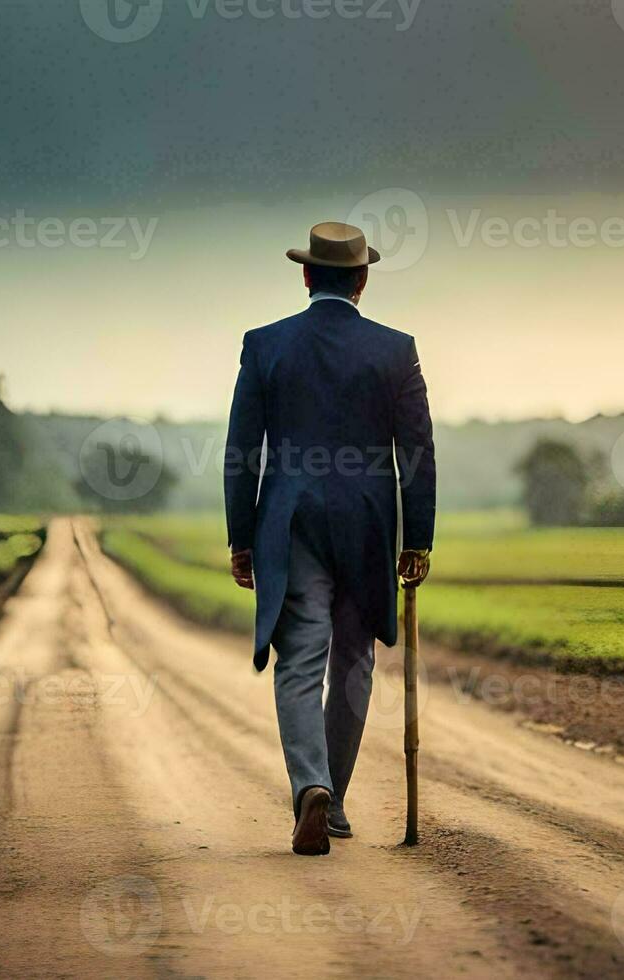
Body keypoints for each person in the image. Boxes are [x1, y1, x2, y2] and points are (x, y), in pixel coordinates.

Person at [223, 221, 437, 856]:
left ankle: (309, 786)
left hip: (290, 522)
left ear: (307, 275)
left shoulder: (265, 345)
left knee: (300, 661)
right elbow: (417, 454)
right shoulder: (396, 350)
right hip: (369, 522)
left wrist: (241, 536)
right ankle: (334, 800)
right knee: (354, 659)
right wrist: (416, 539)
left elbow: (242, 452)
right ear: (363, 280)